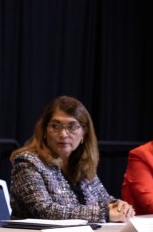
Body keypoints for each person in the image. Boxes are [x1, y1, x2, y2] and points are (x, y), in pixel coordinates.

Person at [10, 95, 134, 223]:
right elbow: (45, 211)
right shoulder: (27, 162)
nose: (63, 134)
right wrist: (105, 214)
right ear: (44, 131)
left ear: (84, 133)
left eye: (72, 127)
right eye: (55, 126)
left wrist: (118, 206)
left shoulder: (82, 164)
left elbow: (104, 200)